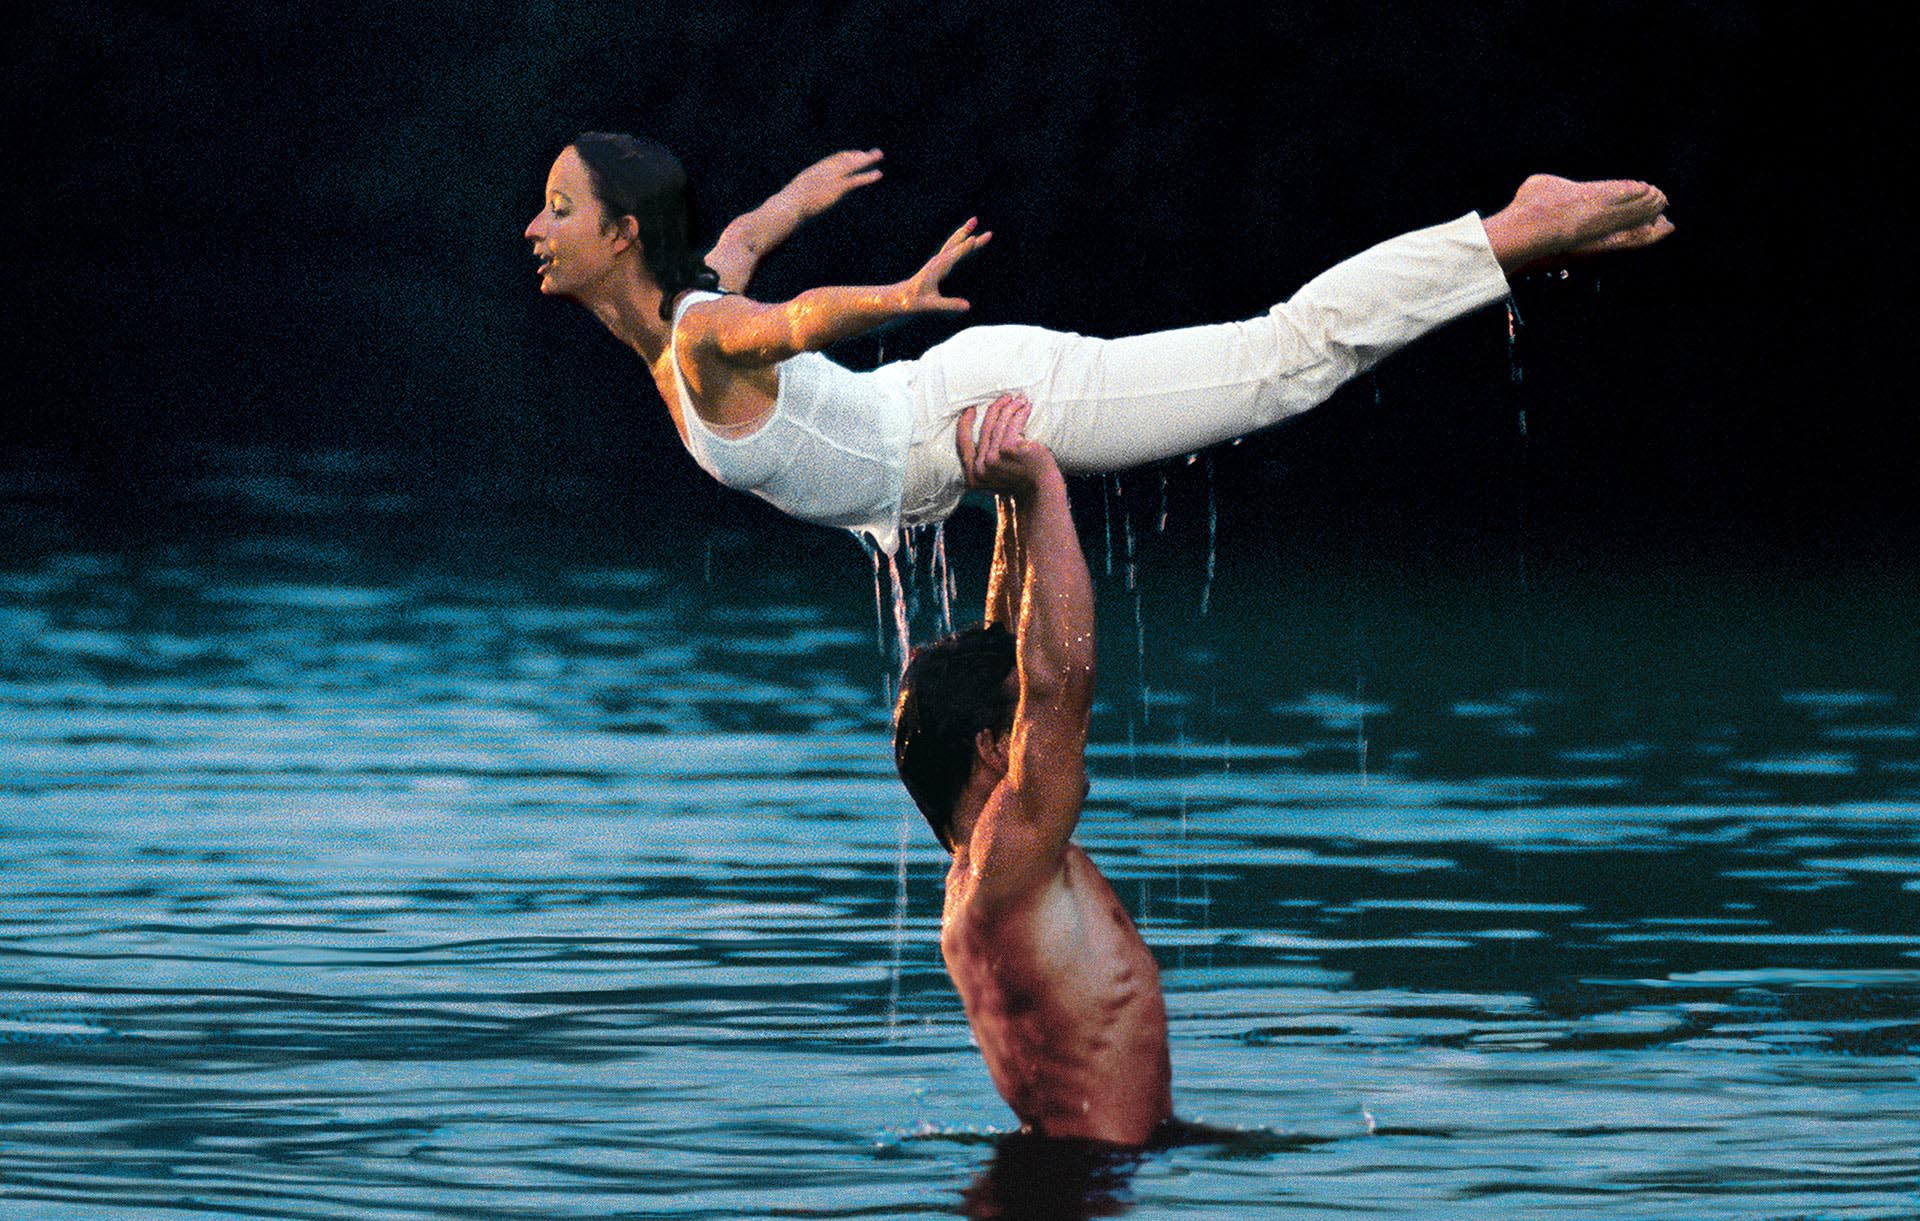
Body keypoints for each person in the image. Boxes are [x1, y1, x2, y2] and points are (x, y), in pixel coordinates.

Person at [524, 133, 1673, 552]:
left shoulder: (703, 335)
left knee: (1283, 359)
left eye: (559, 208)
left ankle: (1513, 227)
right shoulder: (690, 303)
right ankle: (1507, 243)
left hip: (979, 403)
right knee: (1285, 364)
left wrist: (896, 291)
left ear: (624, 235)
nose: (535, 227)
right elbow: (747, 237)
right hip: (956, 427)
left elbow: (793, 321)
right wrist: (808, 192)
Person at [892, 392, 1169, 1145]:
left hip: (1068, 1167)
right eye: (1014, 720)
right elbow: (1060, 680)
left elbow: (1018, 646)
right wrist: (1045, 482)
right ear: (990, 745)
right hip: (1084, 1185)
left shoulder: (986, 869)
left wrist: (1013, 500)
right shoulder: (1009, 855)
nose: (1041, 734)